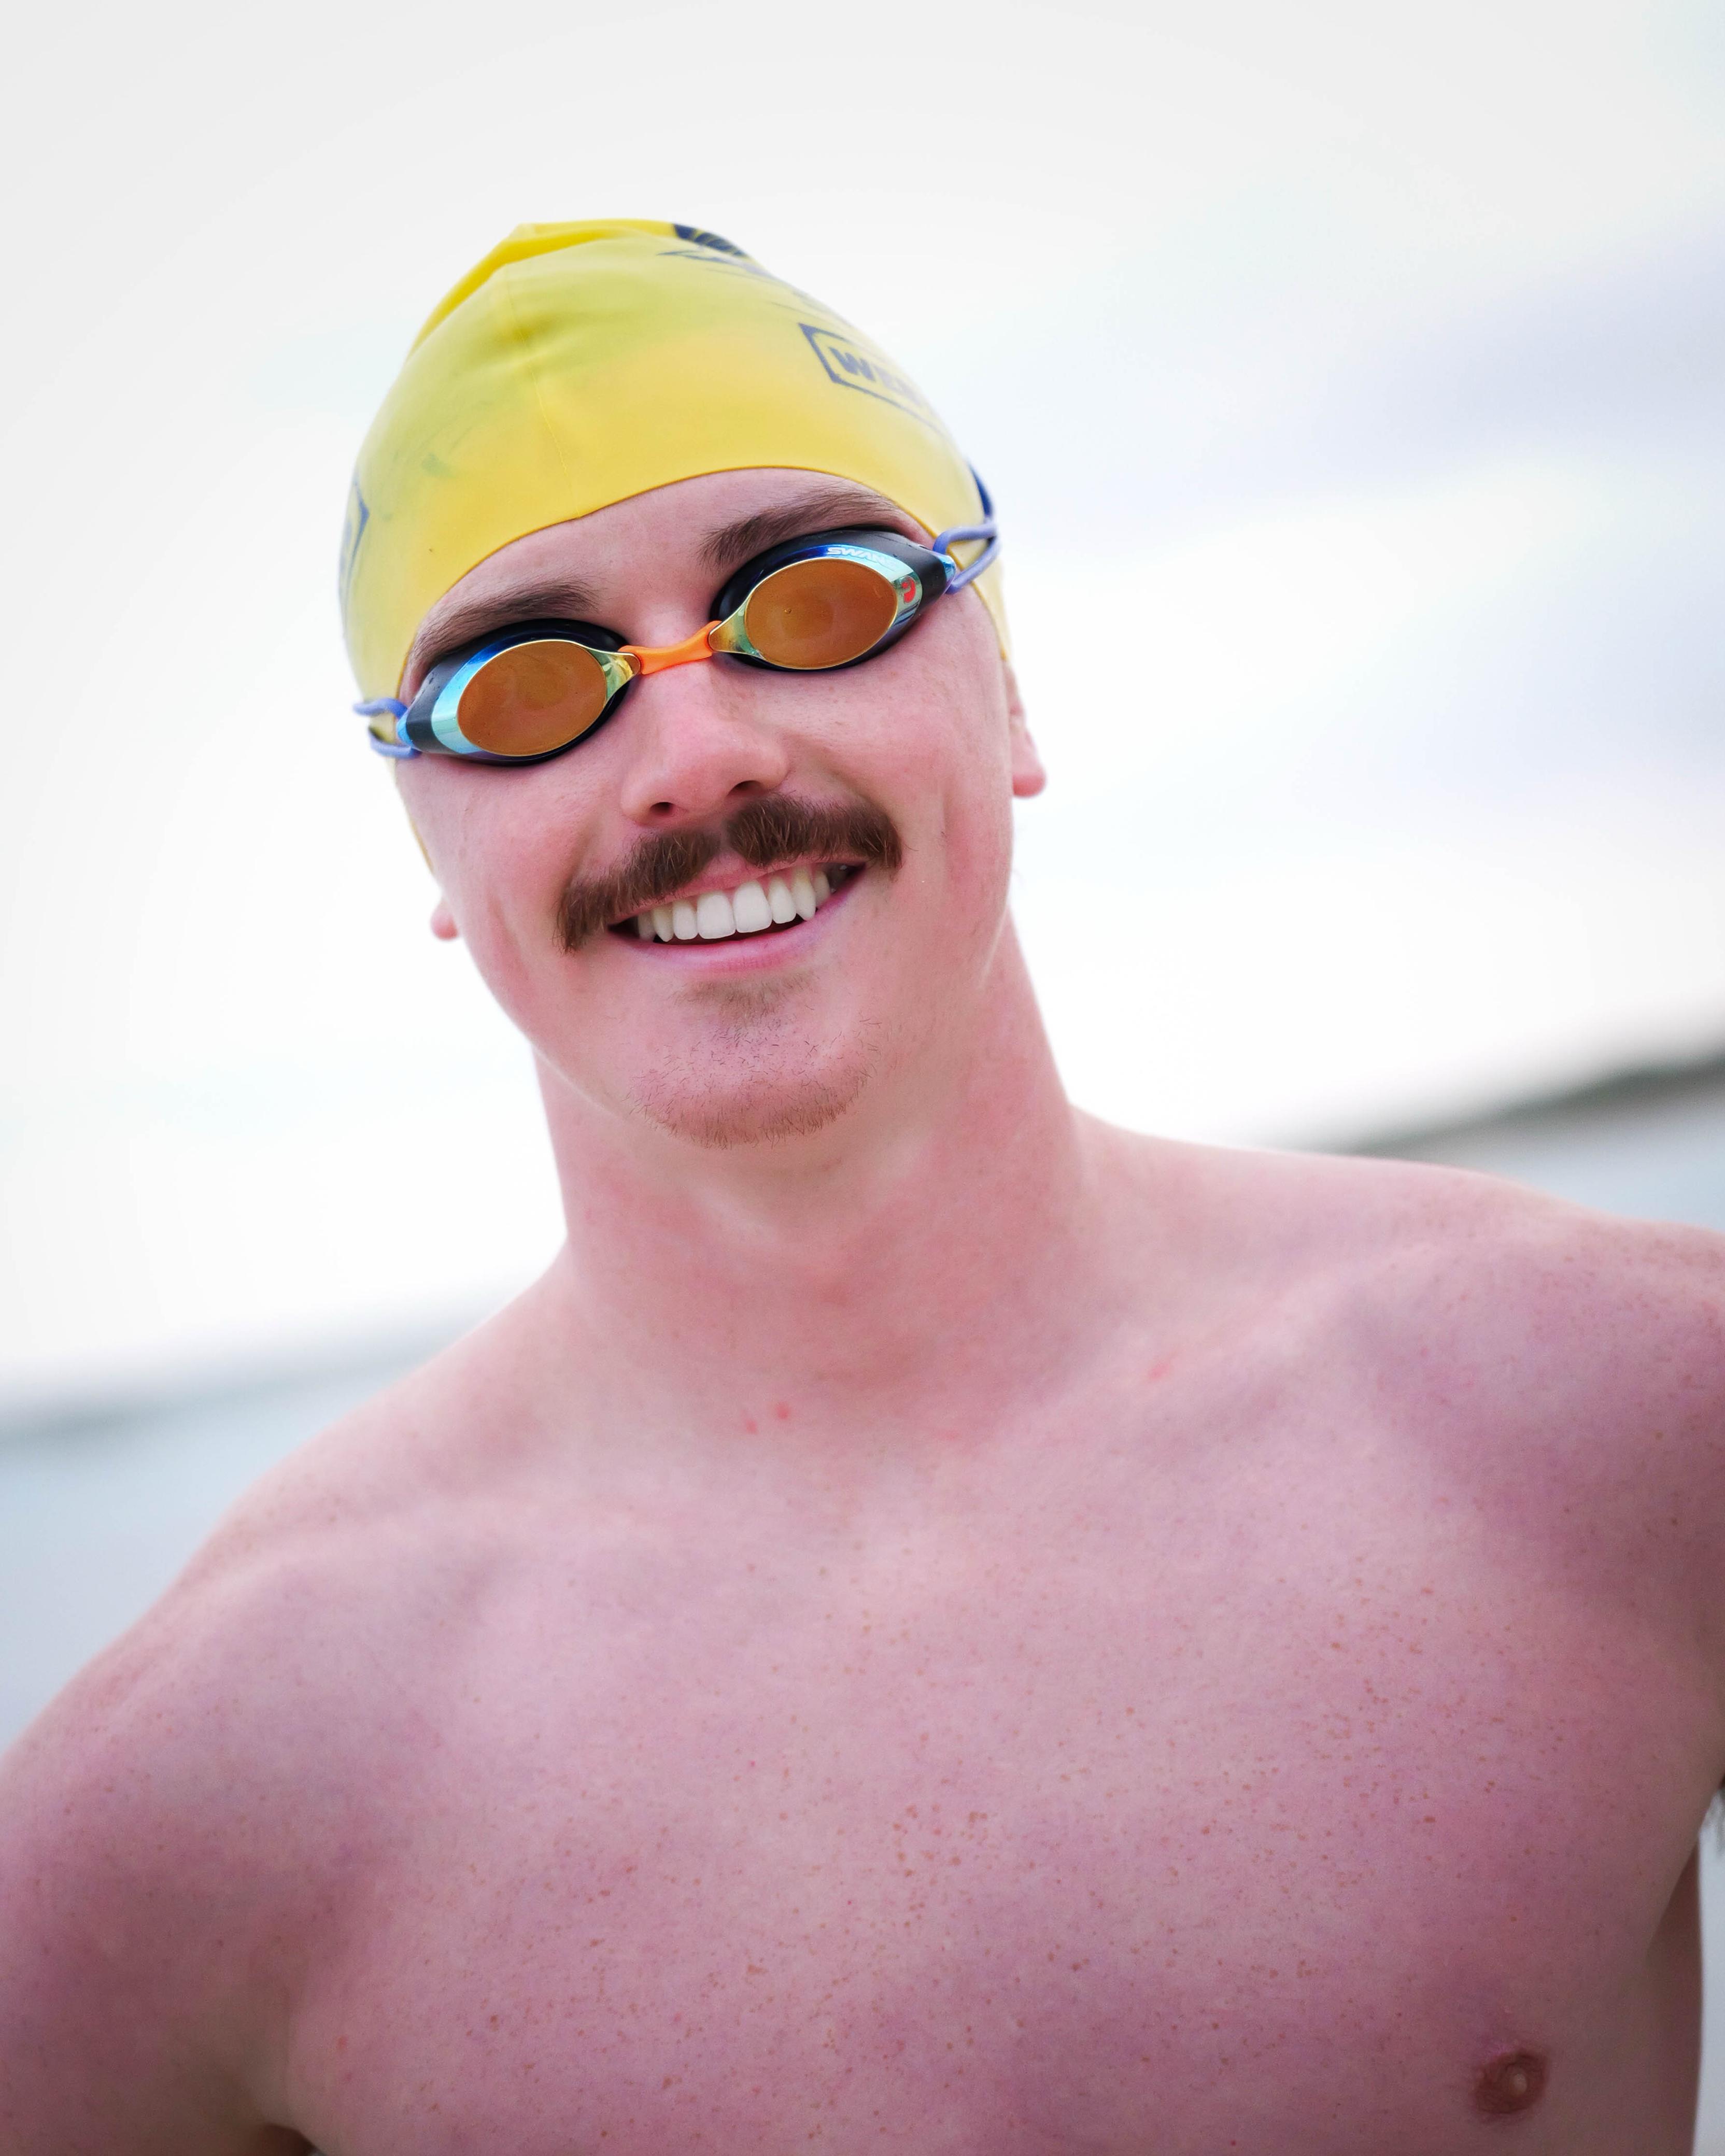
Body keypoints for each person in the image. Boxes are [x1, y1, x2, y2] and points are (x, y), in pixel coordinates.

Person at [2, 219, 1722, 2156]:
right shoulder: (190, 1797)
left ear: (1011, 689)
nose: (696, 750)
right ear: (430, 835)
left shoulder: (1630, 1412)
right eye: (519, 685)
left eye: (816, 598)